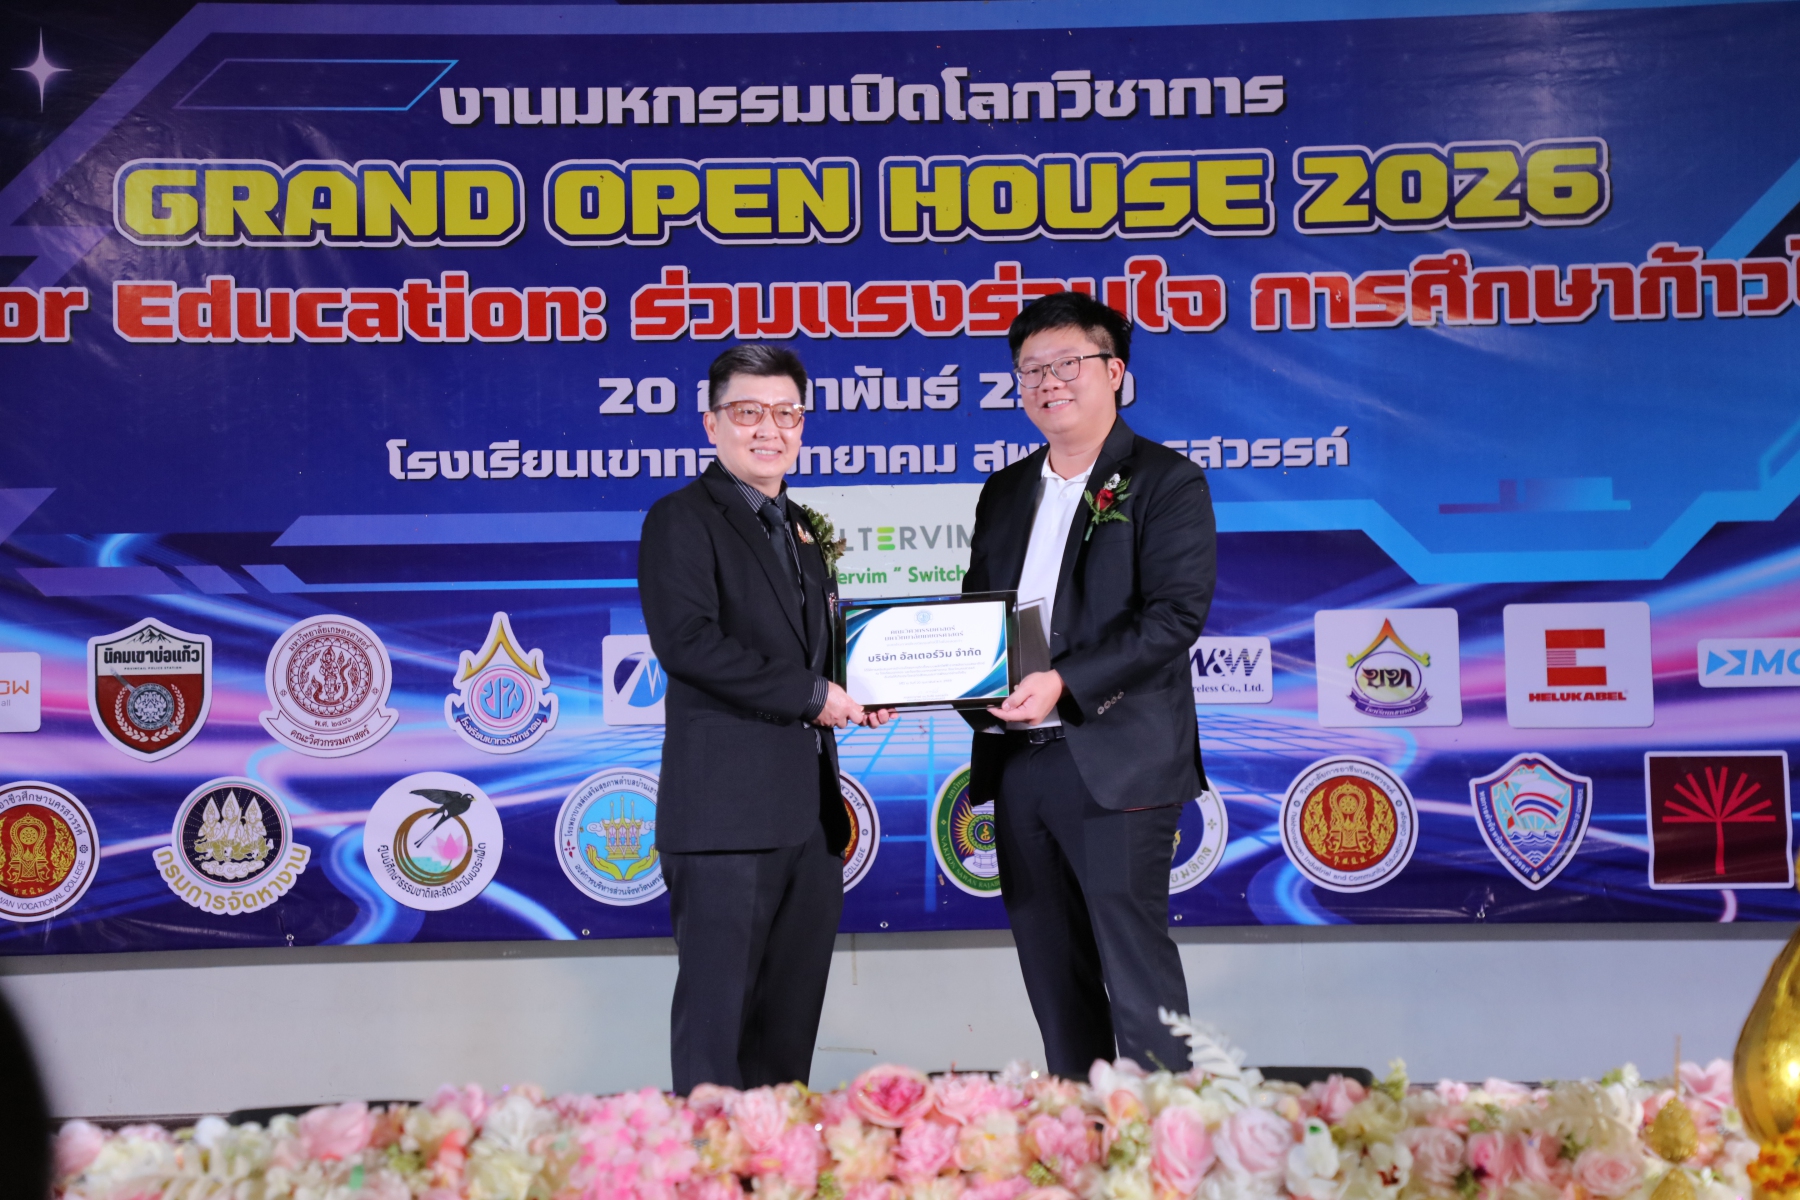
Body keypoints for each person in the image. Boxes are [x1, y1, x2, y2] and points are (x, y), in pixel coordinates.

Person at [961, 290, 1217, 1077]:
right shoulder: (1005, 490)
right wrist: (950, 681)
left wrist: (1063, 682)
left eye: (1067, 363)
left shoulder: (1166, 481)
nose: (1048, 382)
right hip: (1018, 760)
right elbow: (976, 614)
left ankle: (1163, 1135)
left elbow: (1174, 617)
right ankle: (1077, 1132)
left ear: (1115, 372)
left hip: (1116, 759)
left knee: (1136, 976)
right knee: (1054, 978)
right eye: (1031, 369)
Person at [640, 343, 888, 1093]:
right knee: (718, 1033)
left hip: (809, 820)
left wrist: (863, 689)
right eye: (748, 412)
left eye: (786, 413)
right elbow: (689, 644)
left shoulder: (800, 527)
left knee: (787, 1034)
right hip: (726, 820)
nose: (769, 429)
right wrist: (814, 696)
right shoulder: (682, 518)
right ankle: (710, 1156)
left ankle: (779, 1154)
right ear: (711, 423)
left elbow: (813, 654)